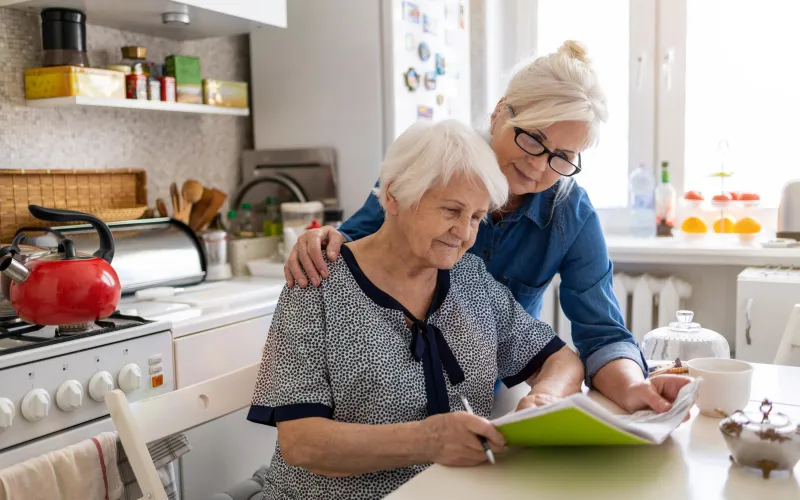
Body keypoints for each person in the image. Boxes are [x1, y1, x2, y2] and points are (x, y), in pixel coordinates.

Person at [283, 40, 692, 414]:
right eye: (533, 138)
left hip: (485, 396)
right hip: (385, 398)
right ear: (501, 112)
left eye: (562, 156)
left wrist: (635, 387)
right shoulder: (431, 165)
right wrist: (322, 239)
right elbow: (356, 246)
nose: (537, 165)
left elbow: (602, 334)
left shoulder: (571, 214)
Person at [248, 119, 584, 499]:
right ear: (394, 196)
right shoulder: (317, 283)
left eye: (476, 217)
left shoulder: (470, 279)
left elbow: (562, 361)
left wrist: (547, 398)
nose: (464, 233)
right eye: (451, 210)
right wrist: (429, 440)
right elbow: (302, 443)